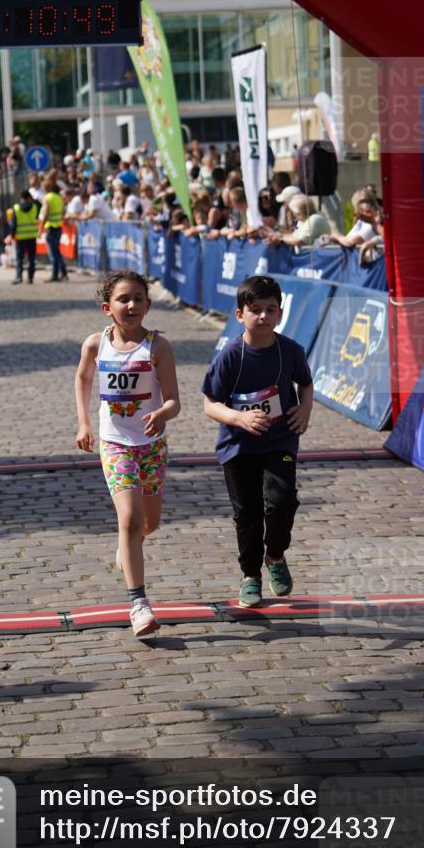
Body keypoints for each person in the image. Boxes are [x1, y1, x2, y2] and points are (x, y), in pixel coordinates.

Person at [74, 271, 181, 638]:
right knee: (131, 518)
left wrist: (163, 412)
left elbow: (174, 401)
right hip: (115, 443)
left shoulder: (158, 347)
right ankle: (139, 604)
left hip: (151, 446)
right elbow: (83, 379)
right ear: (107, 308)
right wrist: (85, 424)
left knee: (149, 524)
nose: (132, 305)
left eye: (139, 298)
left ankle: (128, 546)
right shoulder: (94, 344)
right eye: (124, 299)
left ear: (148, 305)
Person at [201, 275, 313, 608]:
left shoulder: (290, 350)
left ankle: (275, 556)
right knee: (247, 513)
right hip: (238, 445)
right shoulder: (230, 355)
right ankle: (250, 575)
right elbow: (209, 403)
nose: (263, 317)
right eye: (255, 310)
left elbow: (305, 384)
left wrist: (305, 409)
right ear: (240, 315)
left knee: (282, 501)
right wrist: (239, 418)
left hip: (280, 440)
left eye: (270, 310)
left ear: (280, 313)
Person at [264, 194, 331, 248]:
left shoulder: (314, 219)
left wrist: (280, 238)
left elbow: (300, 241)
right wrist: (277, 235)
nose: (294, 215)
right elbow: (294, 236)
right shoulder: (303, 220)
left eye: (295, 213)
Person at [7, 189, 39, 284]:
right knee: (31, 258)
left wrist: (11, 236)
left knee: (19, 258)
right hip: (32, 236)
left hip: (20, 237)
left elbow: (13, 224)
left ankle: (19, 277)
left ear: (21, 198)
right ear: (29, 197)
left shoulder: (16, 208)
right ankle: (30, 277)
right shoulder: (34, 207)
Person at [39, 174, 67, 281]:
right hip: (58, 227)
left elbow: (45, 214)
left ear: (44, 188)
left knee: (52, 253)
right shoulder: (58, 197)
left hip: (50, 227)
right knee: (57, 251)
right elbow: (63, 212)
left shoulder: (47, 198)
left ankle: (54, 275)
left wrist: (41, 228)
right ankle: (63, 272)